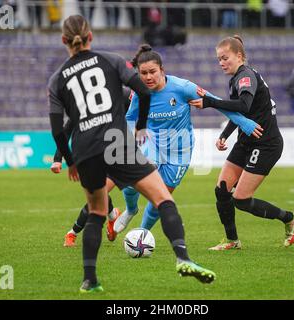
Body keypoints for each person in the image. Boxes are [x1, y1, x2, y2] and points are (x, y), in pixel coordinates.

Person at [48, 14, 216, 293]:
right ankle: (183, 258)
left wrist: (69, 161)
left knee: (97, 212)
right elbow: (142, 90)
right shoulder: (112, 61)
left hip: (85, 150)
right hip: (116, 143)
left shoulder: (56, 79)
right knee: (162, 197)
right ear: (90, 37)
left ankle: (90, 280)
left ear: (64, 41)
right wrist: (139, 126)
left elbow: (58, 128)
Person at [114, 44, 263, 234]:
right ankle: (131, 209)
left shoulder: (183, 87)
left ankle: (141, 234)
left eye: (152, 72)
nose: (148, 77)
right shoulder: (140, 93)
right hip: (152, 142)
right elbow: (129, 117)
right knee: (132, 180)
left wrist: (244, 123)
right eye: (143, 73)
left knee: (161, 195)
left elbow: (217, 102)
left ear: (162, 70)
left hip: (180, 149)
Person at [189, 35, 294, 251]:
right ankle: (233, 241)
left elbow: (243, 104)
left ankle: (290, 218)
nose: (221, 63)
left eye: (225, 58)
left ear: (239, 56)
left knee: (241, 199)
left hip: (265, 143)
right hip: (246, 141)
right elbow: (241, 111)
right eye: (219, 59)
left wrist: (210, 102)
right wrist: (225, 134)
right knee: (222, 189)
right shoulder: (236, 79)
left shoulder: (246, 76)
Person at [51, 86, 133, 246]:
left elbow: (143, 110)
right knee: (98, 193)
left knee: (97, 194)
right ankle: (112, 216)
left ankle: (72, 233)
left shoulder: (123, 94)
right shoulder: (82, 103)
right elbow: (67, 130)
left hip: (118, 153)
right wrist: (57, 158)